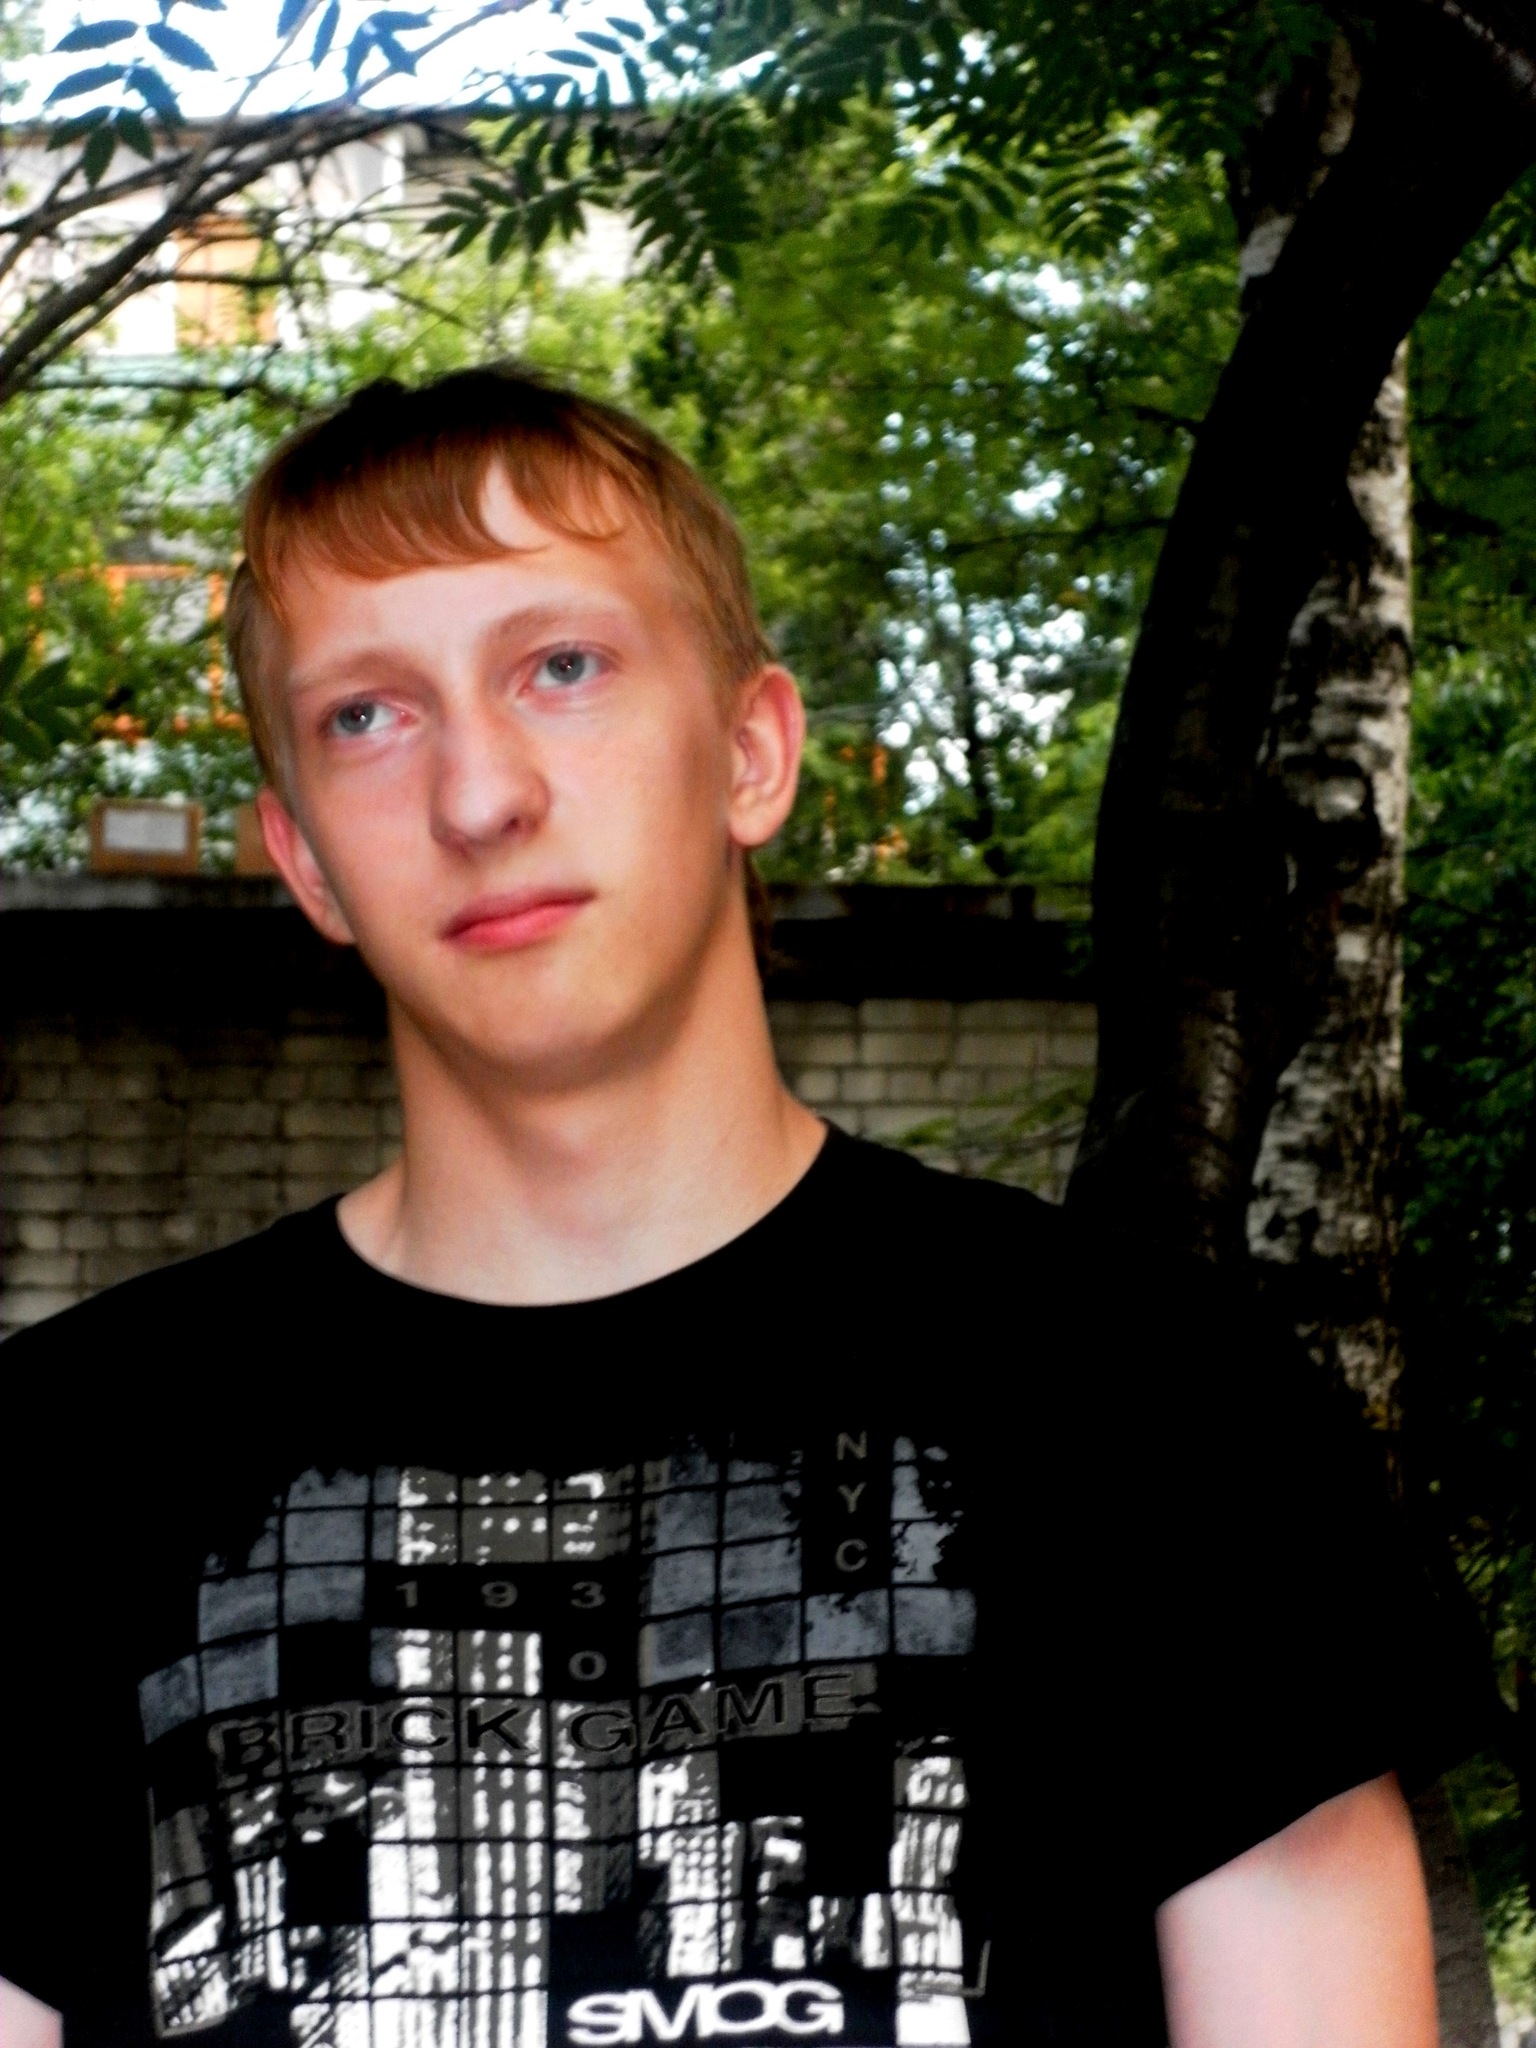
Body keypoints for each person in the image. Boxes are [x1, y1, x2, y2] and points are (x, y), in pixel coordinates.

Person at [1, 369, 1472, 2048]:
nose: (478, 796)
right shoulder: (56, 1470)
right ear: (307, 861)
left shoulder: (1163, 1408)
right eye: (367, 716)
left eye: (562, 667)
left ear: (753, 751)